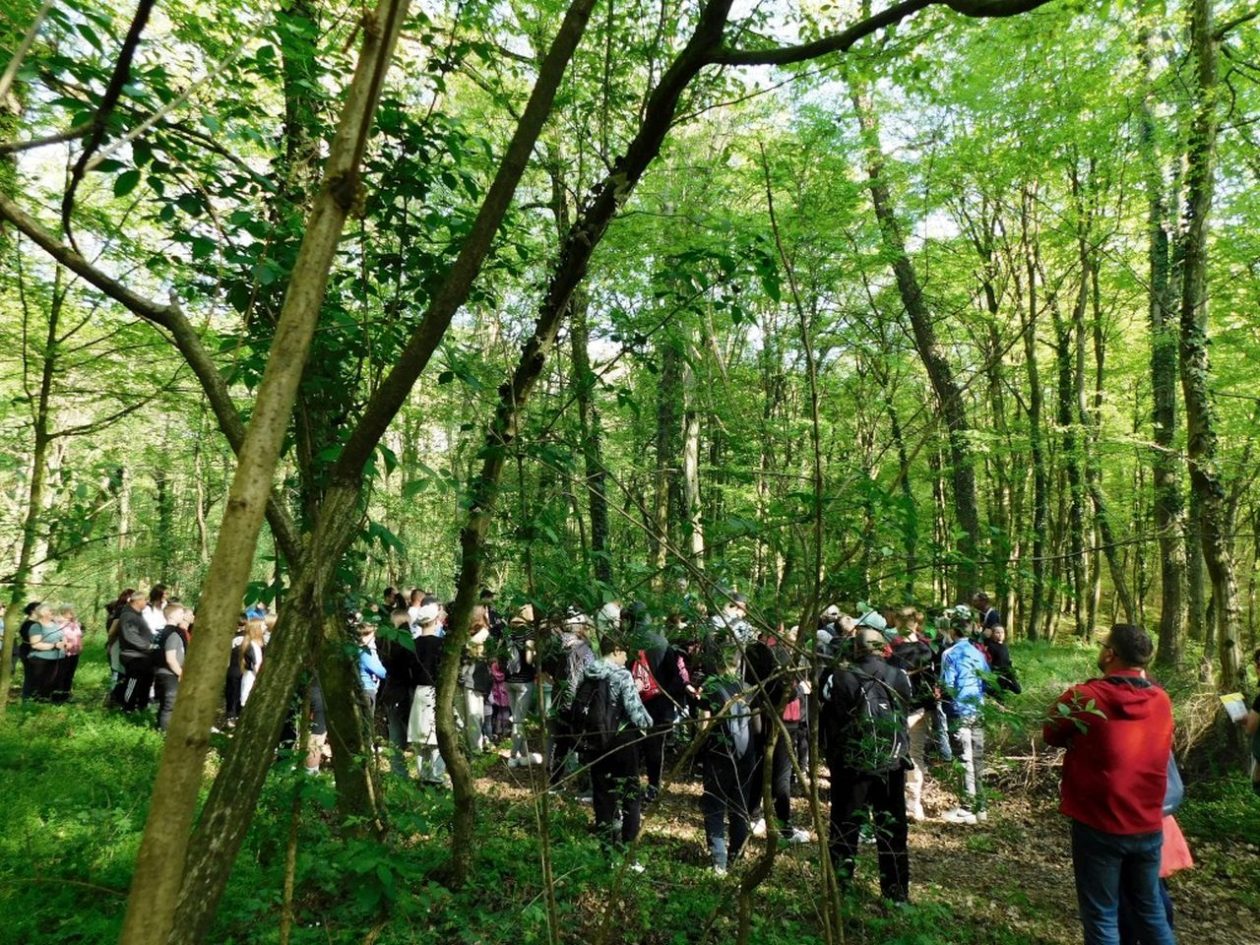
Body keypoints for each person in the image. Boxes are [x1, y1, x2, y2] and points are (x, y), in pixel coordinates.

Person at [1043, 624, 1176, 945]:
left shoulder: (1085, 697)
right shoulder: (1161, 700)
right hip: (1147, 825)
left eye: (1103, 645)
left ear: (1110, 654)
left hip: (1098, 825)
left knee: (1102, 916)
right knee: (1150, 912)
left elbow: (1051, 733)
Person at [820, 626, 913, 903]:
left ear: (856, 648)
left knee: (844, 828)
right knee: (893, 830)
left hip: (852, 765)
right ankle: (896, 893)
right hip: (891, 763)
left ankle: (839, 891)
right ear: (882, 647)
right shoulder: (899, 676)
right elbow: (907, 707)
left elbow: (828, 712)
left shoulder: (840, 677)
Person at [573, 634, 652, 861]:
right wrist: (651, 725)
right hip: (621, 741)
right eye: (625, 652)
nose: (627, 657)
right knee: (630, 795)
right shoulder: (622, 675)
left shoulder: (588, 672)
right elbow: (636, 712)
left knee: (603, 796)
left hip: (597, 741)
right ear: (616, 650)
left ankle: (606, 852)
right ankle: (628, 853)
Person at [698, 646, 759, 875]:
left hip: (718, 752)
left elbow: (703, 725)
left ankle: (718, 859)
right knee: (739, 805)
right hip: (746, 755)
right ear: (738, 662)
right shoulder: (747, 689)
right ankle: (737, 854)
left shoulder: (712, 687)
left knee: (714, 804)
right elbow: (758, 725)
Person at [940, 610, 990, 823]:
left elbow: (947, 685)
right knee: (977, 757)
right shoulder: (978, 653)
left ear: (952, 631)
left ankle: (967, 808)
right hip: (978, 709)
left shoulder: (949, 654)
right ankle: (981, 807)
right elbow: (987, 680)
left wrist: (944, 702)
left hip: (959, 711)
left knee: (964, 757)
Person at [889, 622, 937, 822]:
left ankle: (908, 803)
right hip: (913, 710)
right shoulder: (925, 650)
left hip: (905, 710)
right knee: (913, 755)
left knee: (900, 755)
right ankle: (910, 803)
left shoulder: (895, 652)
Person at [379, 608, 419, 778]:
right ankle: (418, 773)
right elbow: (411, 668)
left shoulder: (385, 642)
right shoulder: (402, 643)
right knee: (410, 735)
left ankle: (399, 773)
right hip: (403, 693)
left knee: (396, 736)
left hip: (391, 691)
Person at [408, 601, 445, 784]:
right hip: (436, 692)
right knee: (437, 738)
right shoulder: (441, 644)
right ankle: (436, 777)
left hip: (419, 691)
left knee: (420, 737)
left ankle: (424, 775)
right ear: (436, 619)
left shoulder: (412, 644)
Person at [505, 604, 541, 767]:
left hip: (509, 680)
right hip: (524, 681)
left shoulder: (508, 631)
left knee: (517, 718)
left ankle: (524, 754)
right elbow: (528, 658)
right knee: (518, 721)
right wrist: (536, 656)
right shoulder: (528, 632)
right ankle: (512, 757)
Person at [154, 603, 190, 732]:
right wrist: (181, 673)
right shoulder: (173, 634)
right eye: (181, 613)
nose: (183, 615)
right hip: (169, 674)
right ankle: (164, 733)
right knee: (170, 704)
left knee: (165, 703)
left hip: (162, 672)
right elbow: (170, 658)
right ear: (173, 615)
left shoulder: (163, 631)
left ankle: (160, 728)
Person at [119, 590, 155, 712]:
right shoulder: (128, 616)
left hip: (144, 657)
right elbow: (130, 636)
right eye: (145, 600)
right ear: (138, 601)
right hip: (134, 656)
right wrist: (148, 646)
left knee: (145, 683)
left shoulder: (136, 615)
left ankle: (141, 706)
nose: (147, 602)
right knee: (132, 683)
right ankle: (127, 708)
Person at [24, 605, 66, 701]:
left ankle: (46, 702)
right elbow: (35, 644)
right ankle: (34, 704)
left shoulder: (55, 625)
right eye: (50, 610)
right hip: (40, 659)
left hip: (56, 658)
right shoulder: (36, 626)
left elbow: (62, 636)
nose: (53, 612)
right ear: (42, 614)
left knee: (51, 683)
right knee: (39, 684)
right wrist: (54, 646)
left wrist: (65, 644)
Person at [50, 605, 84, 702]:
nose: (72, 613)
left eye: (73, 611)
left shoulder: (75, 624)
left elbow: (79, 636)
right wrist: (64, 644)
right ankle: (57, 697)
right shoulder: (58, 623)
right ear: (64, 612)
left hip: (74, 652)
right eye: (70, 612)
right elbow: (57, 636)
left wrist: (81, 646)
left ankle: (66, 695)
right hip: (63, 652)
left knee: (70, 674)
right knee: (61, 674)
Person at [357, 621, 387, 720]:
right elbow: (382, 673)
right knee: (368, 723)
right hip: (367, 690)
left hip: (361, 689)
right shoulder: (366, 653)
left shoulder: (356, 649)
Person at [238, 618, 267, 707]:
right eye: (262, 625)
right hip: (251, 678)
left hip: (249, 676)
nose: (265, 627)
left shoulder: (252, 644)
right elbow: (256, 665)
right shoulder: (253, 646)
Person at [986, 625, 1021, 697]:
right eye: (997, 632)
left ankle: (1005, 685)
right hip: (998, 673)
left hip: (1008, 672)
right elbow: (989, 661)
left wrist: (1012, 670)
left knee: (1017, 689)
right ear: (993, 634)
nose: (1000, 634)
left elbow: (1007, 659)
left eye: (1002, 632)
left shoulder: (1005, 646)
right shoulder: (991, 646)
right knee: (998, 694)